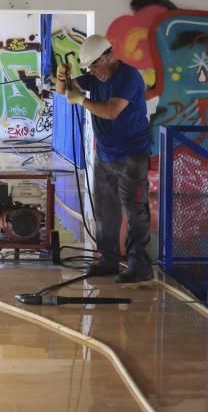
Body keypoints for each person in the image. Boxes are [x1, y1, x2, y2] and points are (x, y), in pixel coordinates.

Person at [55, 34, 152, 283]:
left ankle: (139, 265)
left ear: (109, 56)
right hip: (105, 153)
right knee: (105, 211)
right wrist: (62, 75)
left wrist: (83, 100)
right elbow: (62, 90)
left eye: (96, 66)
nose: (93, 72)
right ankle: (108, 259)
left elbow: (110, 111)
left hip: (132, 154)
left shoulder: (128, 77)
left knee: (134, 210)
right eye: (89, 68)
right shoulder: (95, 75)